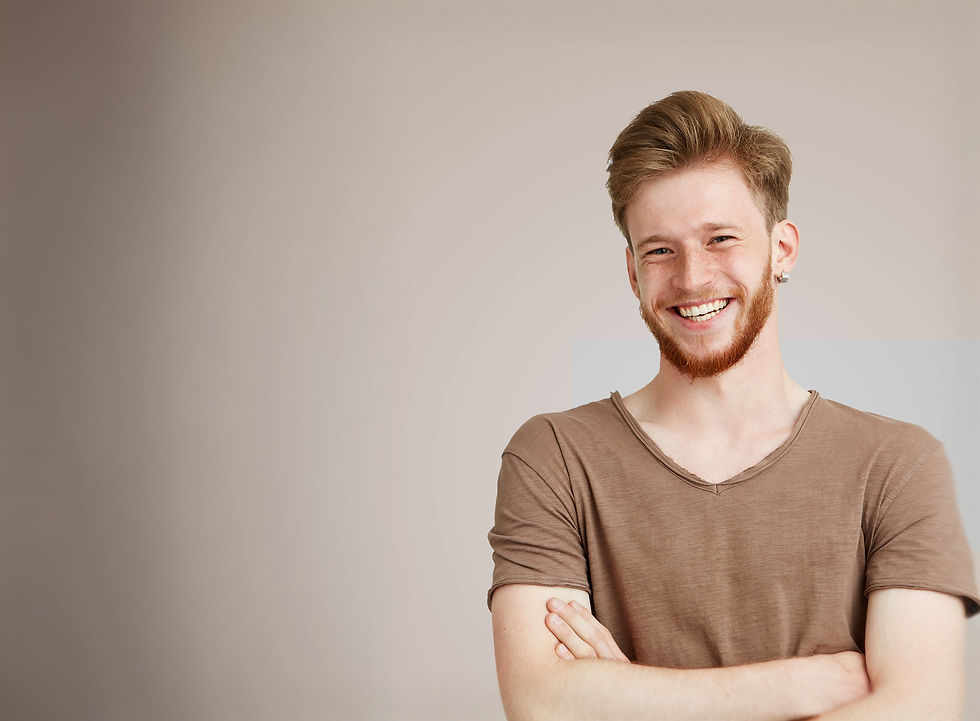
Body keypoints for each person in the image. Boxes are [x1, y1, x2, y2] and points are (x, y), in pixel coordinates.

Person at [487, 90, 979, 721]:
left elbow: (921, 709)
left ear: (782, 249)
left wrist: (630, 696)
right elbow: (539, 705)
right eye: (659, 249)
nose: (691, 278)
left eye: (720, 238)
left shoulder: (898, 465)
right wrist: (812, 684)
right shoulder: (553, 456)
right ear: (633, 273)